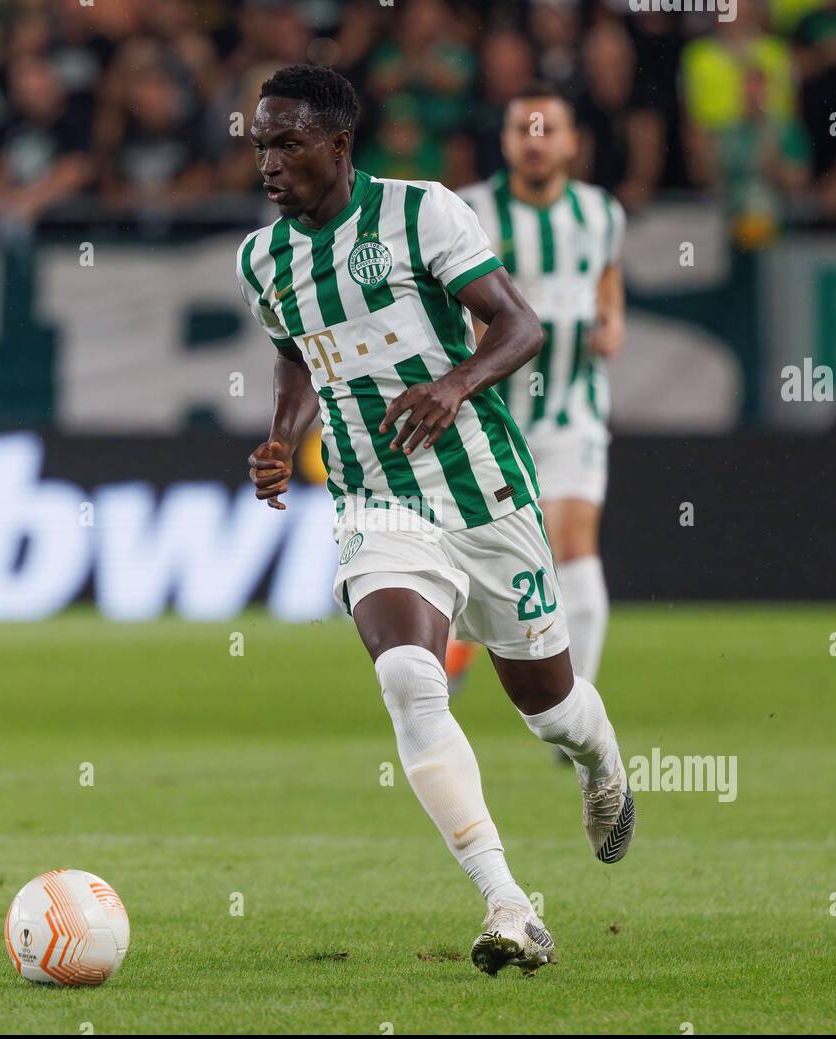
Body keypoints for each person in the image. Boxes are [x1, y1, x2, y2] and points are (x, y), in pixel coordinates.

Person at [236, 64, 635, 976]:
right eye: (260, 144)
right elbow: (297, 355)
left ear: (338, 145)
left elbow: (518, 325)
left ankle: (602, 758)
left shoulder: (424, 214)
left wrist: (453, 385)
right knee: (412, 678)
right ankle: (508, 902)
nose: (269, 162)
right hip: (376, 500)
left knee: (550, 706)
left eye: (287, 142)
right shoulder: (262, 260)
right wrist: (279, 437)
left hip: (485, 489)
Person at [447, 83, 625, 700]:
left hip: (572, 409)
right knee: (489, 553)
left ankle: (576, 709)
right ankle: (461, 646)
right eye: (524, 129)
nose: (536, 142)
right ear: (505, 142)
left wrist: (612, 316)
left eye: (549, 129)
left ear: (574, 143)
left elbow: (606, 271)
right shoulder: (467, 213)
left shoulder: (601, 213)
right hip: (488, 416)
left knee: (572, 542)